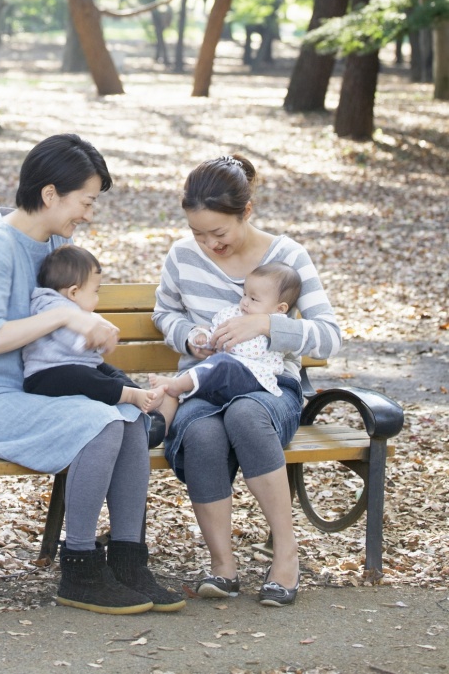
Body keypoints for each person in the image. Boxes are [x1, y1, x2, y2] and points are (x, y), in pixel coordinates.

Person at [0, 134, 185, 615]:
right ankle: (78, 568)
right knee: (102, 420)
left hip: (39, 393)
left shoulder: (54, 243)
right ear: (50, 194)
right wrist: (63, 317)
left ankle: (129, 560)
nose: (89, 214)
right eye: (86, 201)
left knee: (129, 415)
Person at [153, 154, 342, 607]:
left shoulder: (288, 256)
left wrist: (267, 327)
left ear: (247, 212)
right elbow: (165, 313)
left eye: (219, 232)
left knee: (245, 413)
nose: (208, 244)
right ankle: (223, 566)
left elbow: (330, 338)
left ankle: (285, 555)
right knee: (199, 431)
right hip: (203, 383)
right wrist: (192, 337)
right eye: (198, 232)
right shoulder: (182, 256)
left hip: (269, 386)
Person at [22, 245, 174, 420]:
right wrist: (96, 339)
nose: (97, 298)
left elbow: (94, 326)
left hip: (75, 367)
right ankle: (131, 396)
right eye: (95, 291)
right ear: (73, 292)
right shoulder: (51, 306)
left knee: (110, 372)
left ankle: (142, 399)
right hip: (45, 377)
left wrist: (107, 332)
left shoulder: (75, 310)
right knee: (84, 376)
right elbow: (71, 338)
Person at [150, 261, 302, 417]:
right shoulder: (233, 314)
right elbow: (215, 333)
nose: (245, 302)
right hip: (224, 377)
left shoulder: (280, 325)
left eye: (254, 299)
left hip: (257, 379)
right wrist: (200, 337)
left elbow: (295, 341)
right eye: (244, 294)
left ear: (280, 308)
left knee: (221, 363)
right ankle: (164, 416)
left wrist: (265, 326)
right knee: (211, 368)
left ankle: (177, 387)